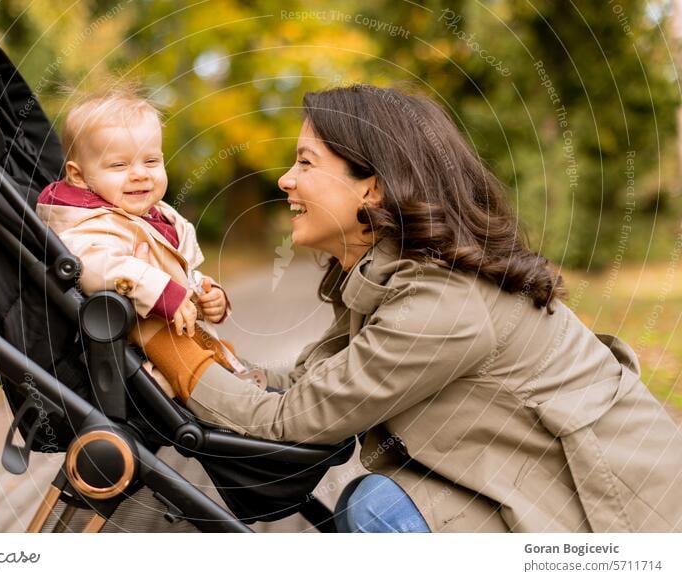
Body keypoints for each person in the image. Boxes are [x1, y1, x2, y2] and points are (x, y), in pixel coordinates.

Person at [140, 84, 682, 533]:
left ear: (371, 188)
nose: (285, 179)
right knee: (375, 501)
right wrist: (225, 365)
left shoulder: (441, 304)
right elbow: (307, 382)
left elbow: (292, 421)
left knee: (378, 510)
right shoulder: (389, 272)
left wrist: (167, 349)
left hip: (616, 518)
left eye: (305, 162)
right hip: (532, 480)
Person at [37, 90, 259, 396]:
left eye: (151, 161)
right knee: (188, 356)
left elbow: (181, 272)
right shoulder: (86, 225)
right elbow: (95, 264)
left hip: (179, 332)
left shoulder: (157, 216)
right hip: (134, 349)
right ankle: (230, 400)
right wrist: (161, 291)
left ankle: (236, 382)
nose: (140, 174)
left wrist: (207, 296)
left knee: (212, 348)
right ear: (78, 176)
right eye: (119, 166)